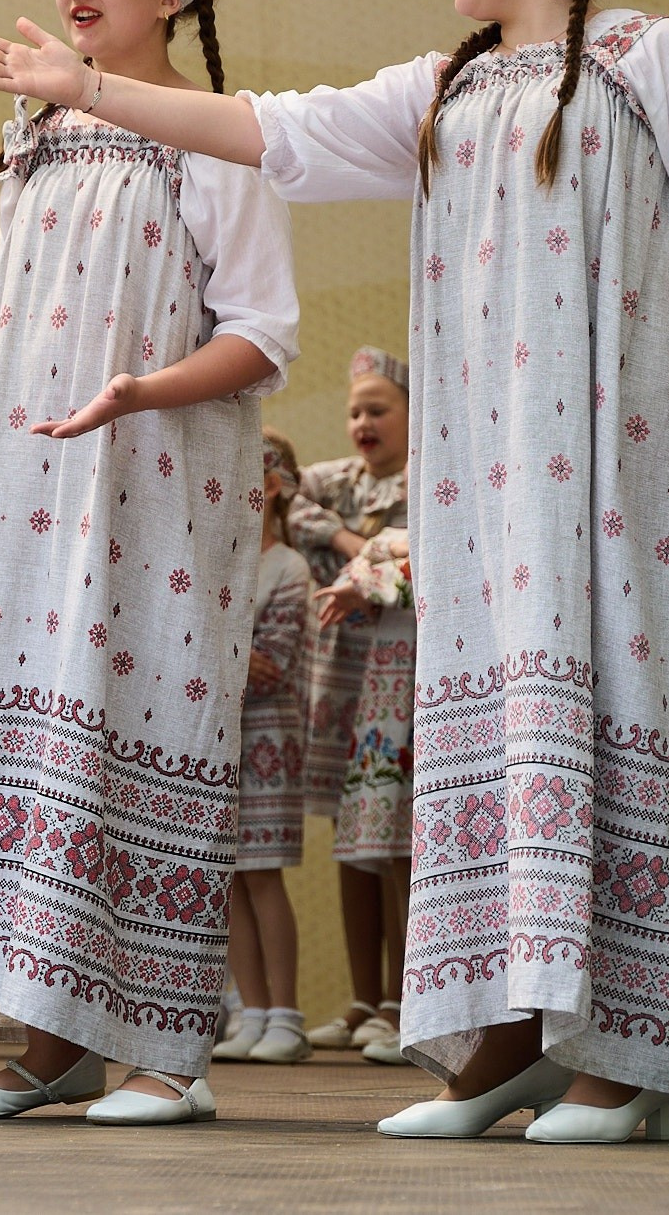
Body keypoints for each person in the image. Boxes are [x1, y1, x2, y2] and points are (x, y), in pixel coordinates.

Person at [0, 0, 669, 1144]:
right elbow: (262, 127)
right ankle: (510, 1040)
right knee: (501, 727)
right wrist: (94, 90)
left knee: (614, 700)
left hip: (615, 461)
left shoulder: (649, 55)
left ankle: (633, 1057)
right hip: (485, 482)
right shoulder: (438, 90)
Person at [0, 0, 299, 1128]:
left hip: (157, 491)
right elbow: (6, 317)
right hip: (28, 493)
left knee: (137, 735)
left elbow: (265, 336)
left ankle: (166, 1056)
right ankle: (49, 1043)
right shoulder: (34, 133)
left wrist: (140, 392)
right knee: (39, 734)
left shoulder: (214, 128)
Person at [293, 347, 416, 1064]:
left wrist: (352, 546)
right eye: (353, 410)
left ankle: (403, 996)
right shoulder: (334, 480)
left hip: (403, 678)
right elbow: (278, 483)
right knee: (353, 836)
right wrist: (351, 539)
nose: (361, 422)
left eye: (378, 408)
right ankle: (363, 998)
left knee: (398, 834)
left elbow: (400, 553)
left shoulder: (424, 476)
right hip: (344, 680)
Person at [217, 433, 314, 1066]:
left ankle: (286, 1014)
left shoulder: (287, 568)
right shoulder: (219, 562)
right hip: (221, 735)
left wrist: (210, 636)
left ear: (271, 485)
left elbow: (270, 665)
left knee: (263, 873)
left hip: (267, 735)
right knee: (227, 877)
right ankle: (250, 1011)